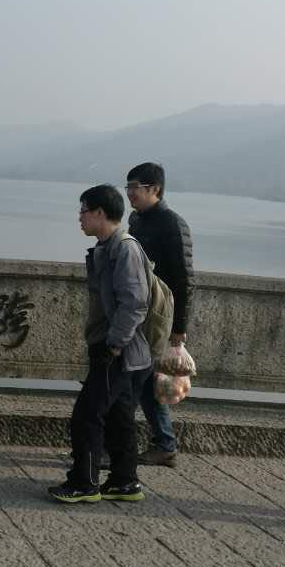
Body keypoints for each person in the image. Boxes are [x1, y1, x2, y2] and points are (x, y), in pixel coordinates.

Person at [48, 184, 152, 504]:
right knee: (119, 415)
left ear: (99, 213)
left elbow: (135, 303)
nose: (79, 217)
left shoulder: (124, 249)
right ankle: (124, 481)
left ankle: (85, 482)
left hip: (116, 349)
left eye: (83, 210)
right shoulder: (107, 247)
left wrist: (114, 345)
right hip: (115, 346)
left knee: (87, 415)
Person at [125, 162, 194, 467]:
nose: (130, 193)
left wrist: (179, 329)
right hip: (138, 311)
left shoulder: (172, 224)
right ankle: (163, 443)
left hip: (159, 317)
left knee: (143, 381)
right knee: (142, 381)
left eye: (135, 187)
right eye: (128, 187)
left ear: (155, 189)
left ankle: (159, 443)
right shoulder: (137, 221)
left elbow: (184, 280)